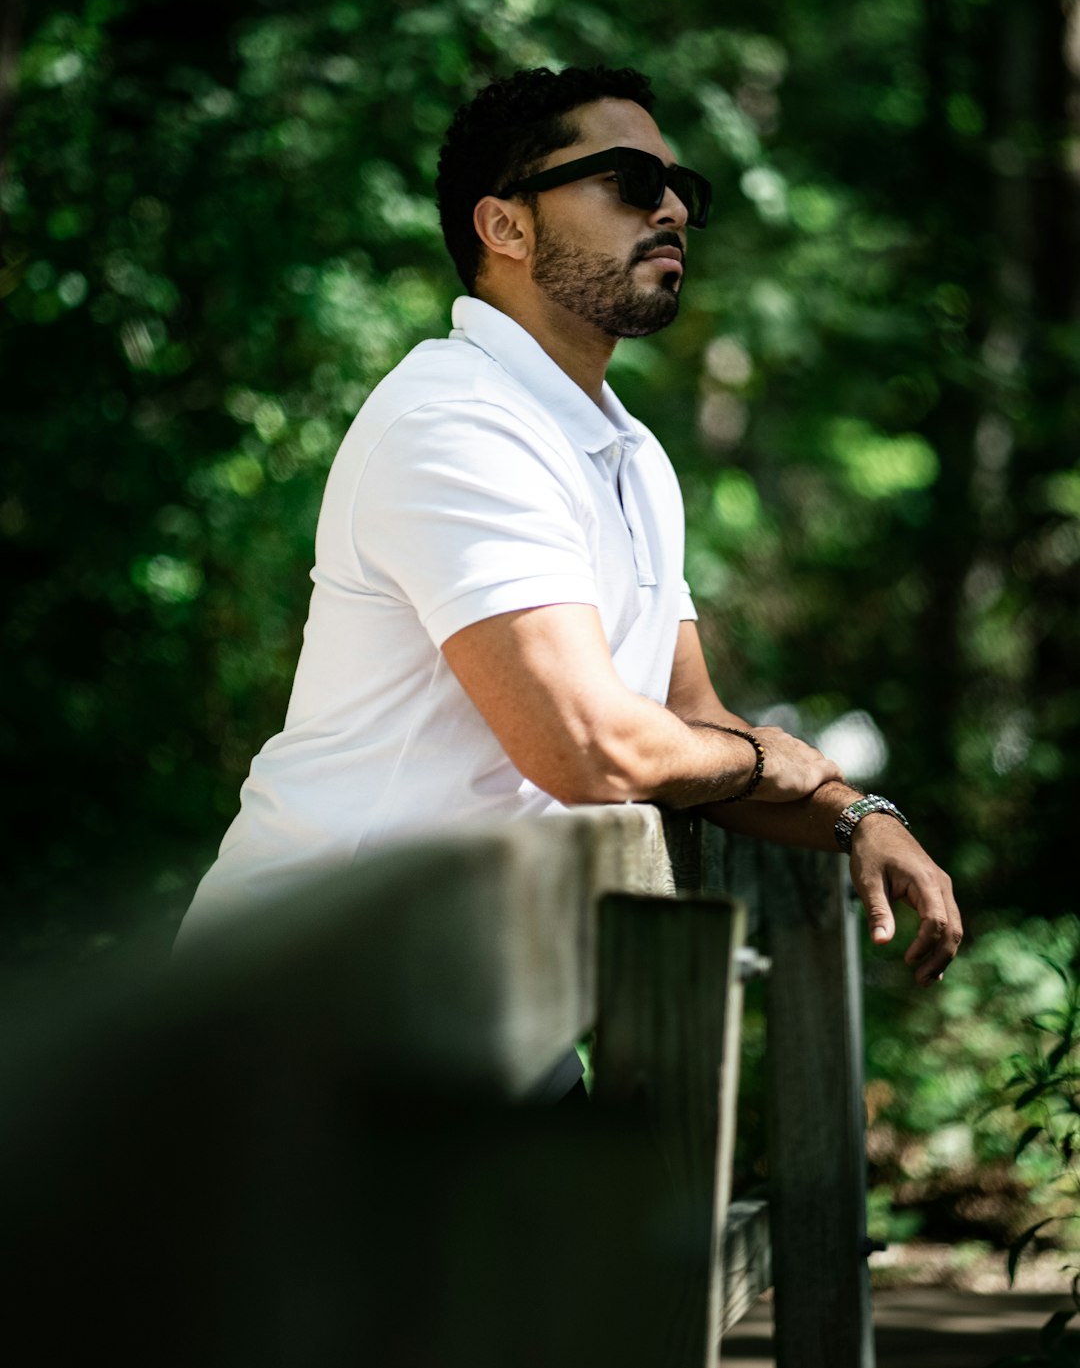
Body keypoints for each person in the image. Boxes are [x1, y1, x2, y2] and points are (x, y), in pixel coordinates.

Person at [176, 66, 962, 1084]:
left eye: (684, 189)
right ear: (504, 226)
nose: (673, 205)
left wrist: (856, 813)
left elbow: (690, 723)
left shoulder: (629, 453)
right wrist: (769, 762)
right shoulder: (455, 421)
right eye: (631, 180)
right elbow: (586, 742)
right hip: (307, 1016)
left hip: (489, 1011)